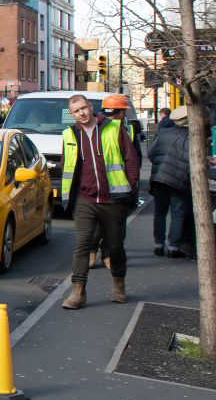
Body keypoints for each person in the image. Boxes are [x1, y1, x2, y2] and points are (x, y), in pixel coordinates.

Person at [60, 93, 140, 310]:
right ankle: (78, 292)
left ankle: (118, 282)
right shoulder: (69, 134)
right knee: (82, 245)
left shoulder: (113, 128)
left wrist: (130, 189)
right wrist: (69, 197)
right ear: (72, 114)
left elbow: (131, 161)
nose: (82, 113)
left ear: (91, 107)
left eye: (84, 108)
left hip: (113, 199)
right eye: (76, 111)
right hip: (85, 199)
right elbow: (67, 166)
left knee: (115, 246)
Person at [87, 93, 142, 268]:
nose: (125, 114)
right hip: (118, 188)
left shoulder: (91, 127)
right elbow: (134, 161)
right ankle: (107, 255)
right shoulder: (122, 129)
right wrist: (131, 185)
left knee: (96, 222)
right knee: (115, 225)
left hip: (95, 187)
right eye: (124, 111)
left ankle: (92, 253)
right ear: (119, 112)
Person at [148, 105, 191, 258]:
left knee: (159, 213)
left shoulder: (163, 133)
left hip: (159, 178)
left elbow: (151, 153)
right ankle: (174, 247)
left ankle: (158, 245)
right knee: (178, 214)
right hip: (179, 181)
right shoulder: (191, 136)